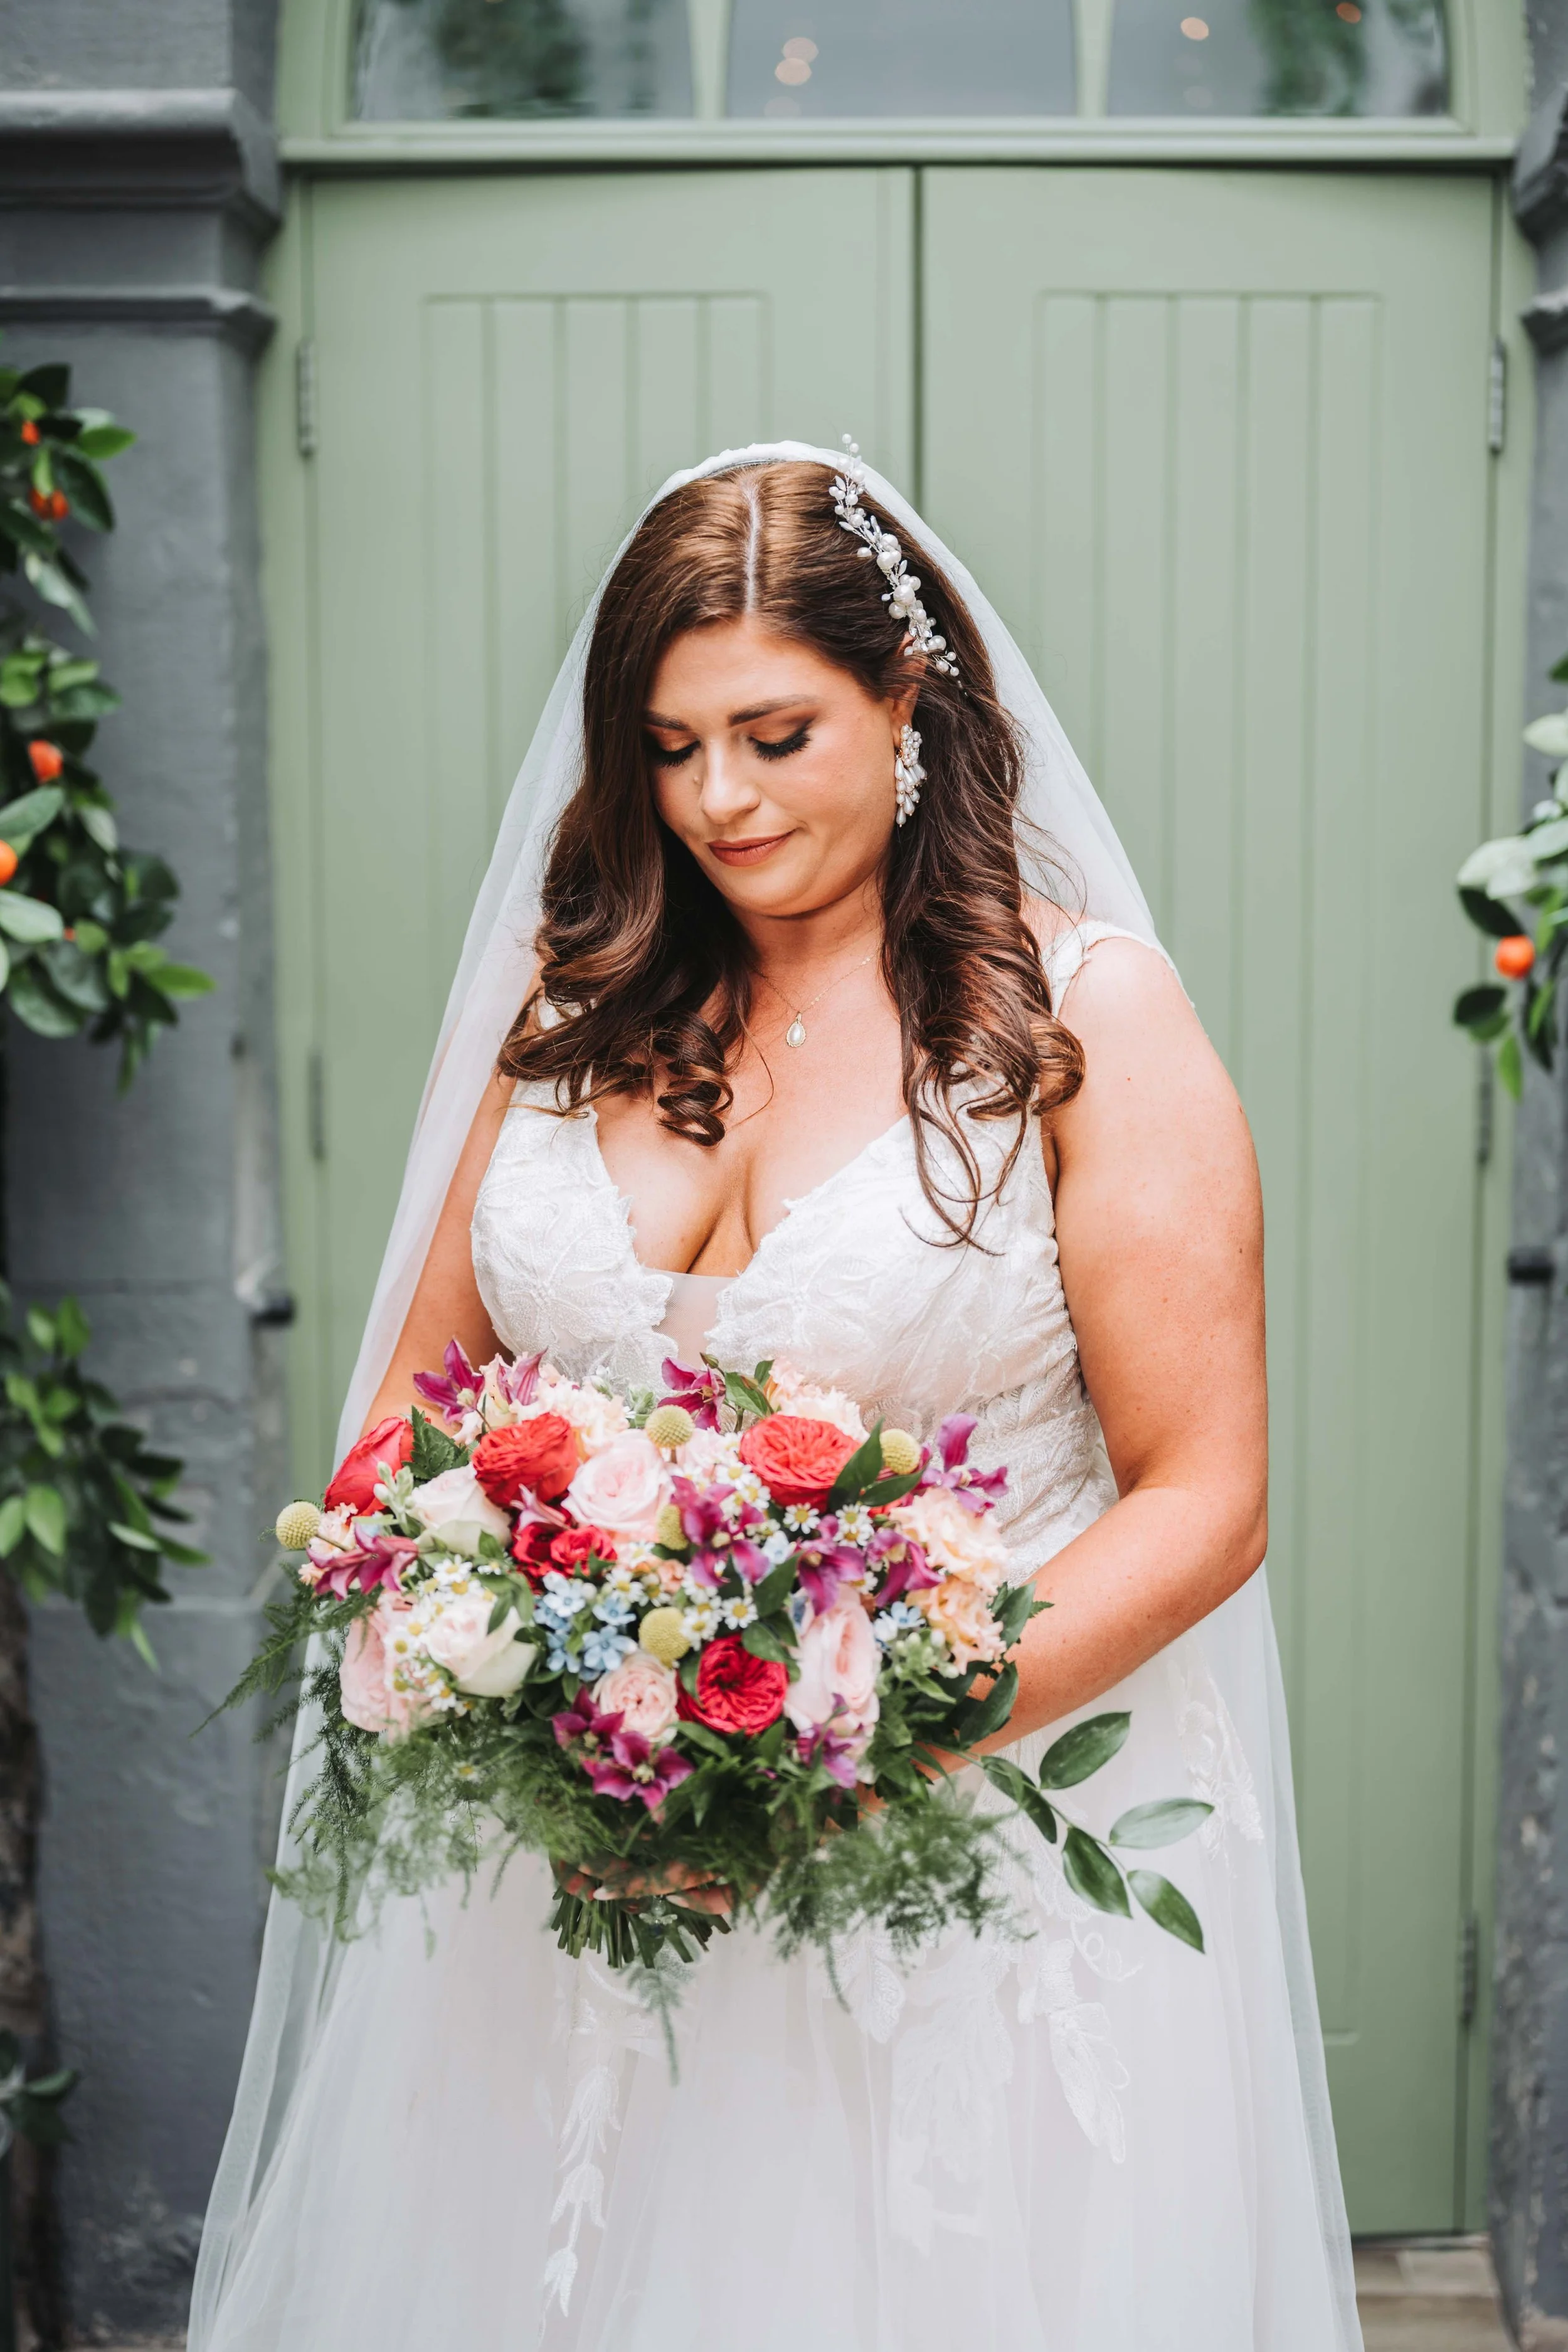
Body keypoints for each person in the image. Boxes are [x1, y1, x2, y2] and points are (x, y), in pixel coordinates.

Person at [189, 443, 1361, 2349]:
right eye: (666, 746)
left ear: (907, 703)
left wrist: (838, 1750)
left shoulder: (1081, 1023)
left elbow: (1201, 1493)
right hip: (570, 1883)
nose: (716, 799)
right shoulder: (569, 1010)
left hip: (958, 1872)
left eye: (772, 732)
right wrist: (492, 1656)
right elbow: (415, 1401)